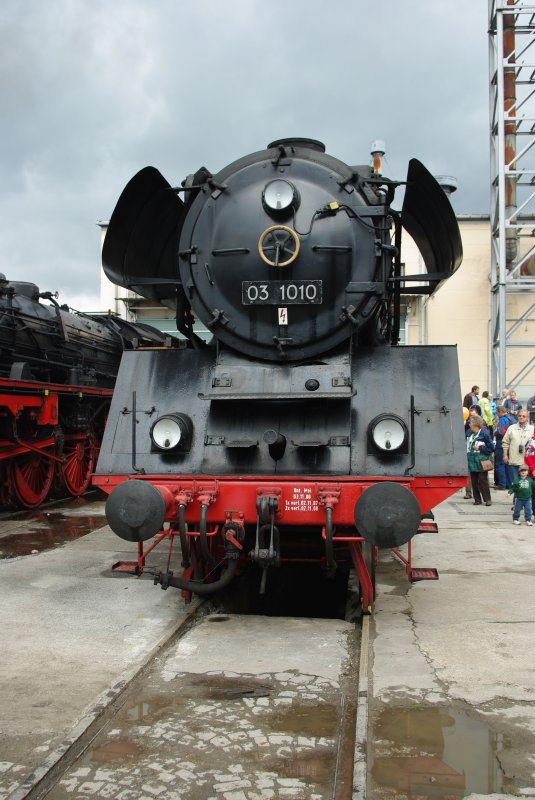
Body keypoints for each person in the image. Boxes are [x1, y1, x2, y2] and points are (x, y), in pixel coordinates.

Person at [466, 414, 494, 506]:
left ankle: (487, 499)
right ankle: (477, 499)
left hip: (481, 460)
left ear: (475, 424)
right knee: (474, 481)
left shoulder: (484, 433)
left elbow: (491, 448)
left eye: (470, 423)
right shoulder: (469, 432)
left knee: (482, 480)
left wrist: (480, 447)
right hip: (471, 460)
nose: (469, 424)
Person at [502, 410, 535, 481]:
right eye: (519, 416)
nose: (521, 417)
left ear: (527, 418)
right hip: (514, 459)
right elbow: (505, 442)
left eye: (524, 416)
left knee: (526, 485)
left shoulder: (532, 429)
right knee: (515, 483)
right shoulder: (511, 428)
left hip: (527, 461)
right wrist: (505, 455)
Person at [493, 406, 513, 489]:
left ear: (501, 412)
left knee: (500, 464)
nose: (497, 414)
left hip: (501, 443)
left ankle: (502, 484)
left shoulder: (502, 420)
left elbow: (501, 432)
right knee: (507, 465)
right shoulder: (511, 419)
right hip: (509, 444)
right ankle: (508, 484)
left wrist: (495, 432)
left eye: (497, 412)